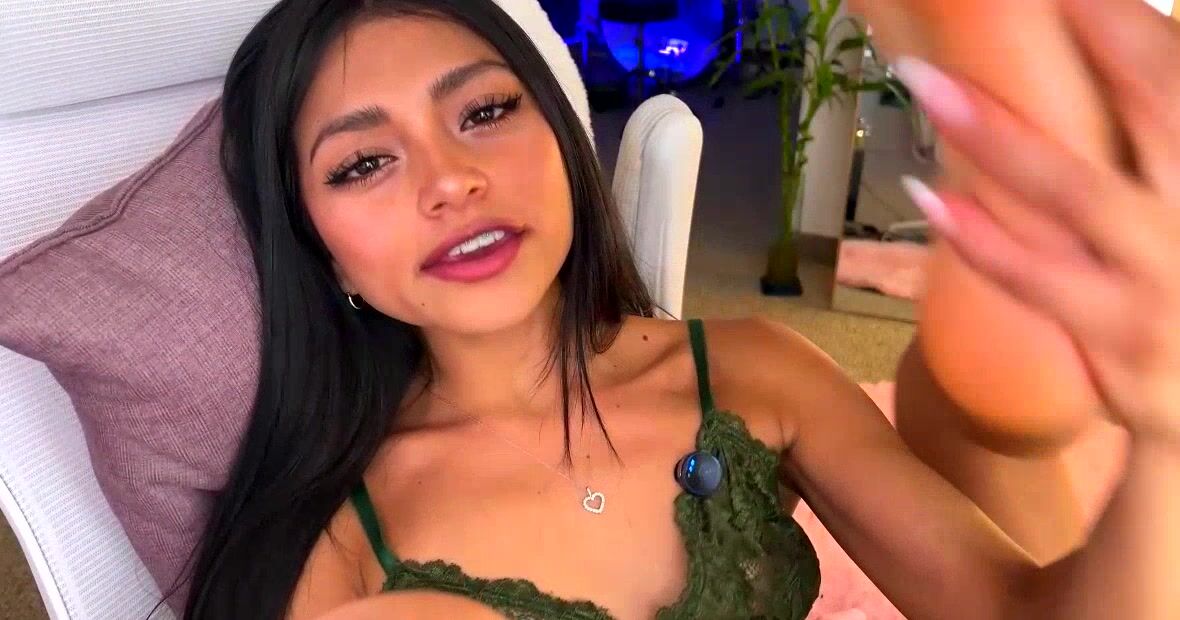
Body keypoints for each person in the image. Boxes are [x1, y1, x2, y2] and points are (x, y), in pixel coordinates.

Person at [181, 0, 1180, 618]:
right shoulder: (331, 539)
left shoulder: (754, 370)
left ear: (563, 142)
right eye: (363, 163)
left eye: (484, 111)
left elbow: (1014, 611)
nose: (450, 181)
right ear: (320, 249)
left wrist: (1165, 432)